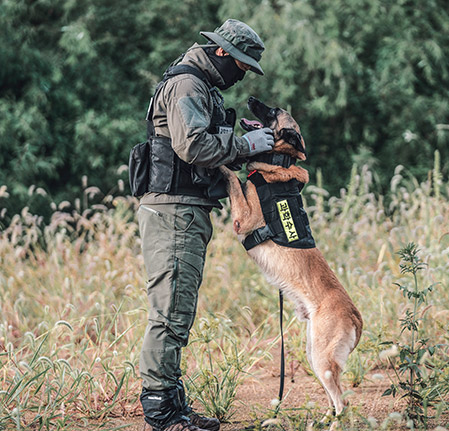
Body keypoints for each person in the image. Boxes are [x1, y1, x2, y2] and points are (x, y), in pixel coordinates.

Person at [137, 19, 274, 431]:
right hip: (174, 210)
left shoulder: (200, 86)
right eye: (241, 66)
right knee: (170, 313)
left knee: (177, 308)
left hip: (185, 208)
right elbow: (192, 145)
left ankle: (173, 404)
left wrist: (239, 140)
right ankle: (161, 413)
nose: (241, 75)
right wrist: (244, 145)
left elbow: (203, 143)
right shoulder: (188, 85)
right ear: (221, 54)